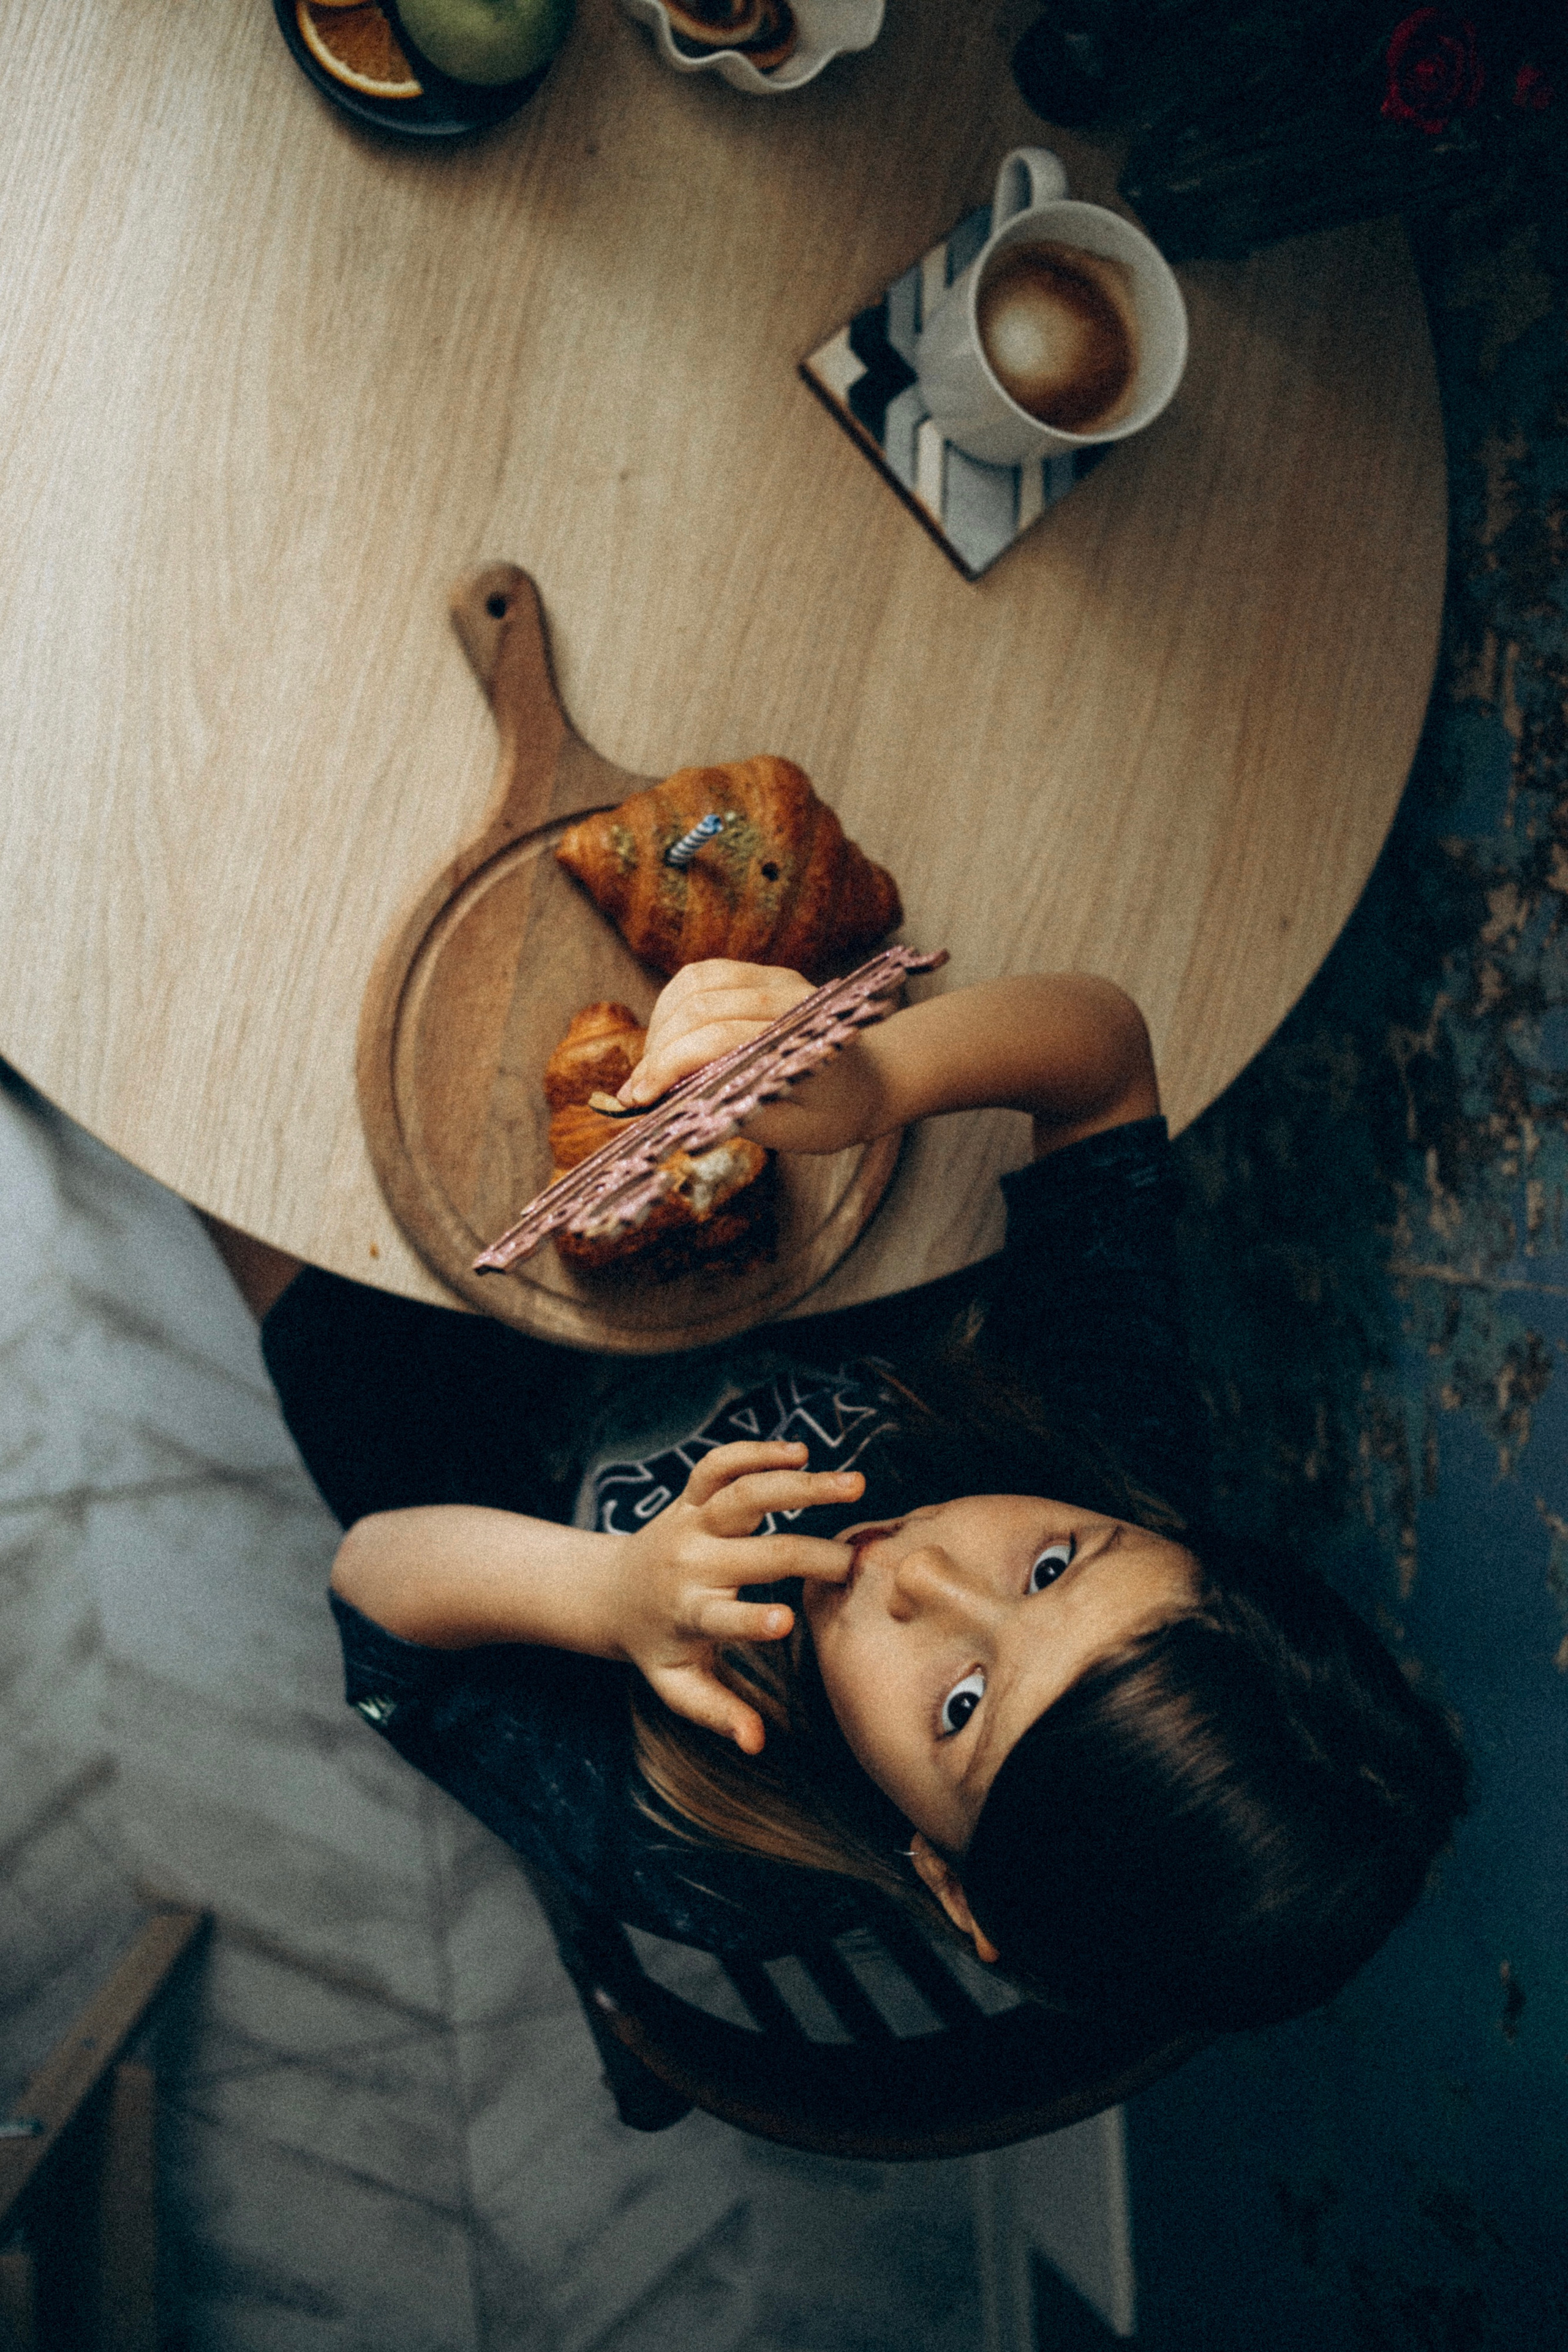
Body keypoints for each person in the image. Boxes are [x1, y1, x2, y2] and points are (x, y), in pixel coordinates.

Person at [240, 963, 1467, 2045]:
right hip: (694, 1207)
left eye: (961, 1705)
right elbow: (1100, 1063)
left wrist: (605, 1596)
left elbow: (374, 1605)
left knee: (244, 1098)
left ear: (946, 1881)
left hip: (433, 1399)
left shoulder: (704, 1856)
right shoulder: (1116, 1462)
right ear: (1170, 1538)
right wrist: (879, 1080)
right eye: (1047, 1568)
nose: (919, 1575)